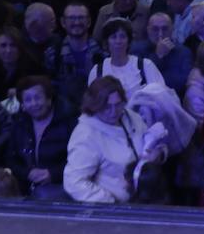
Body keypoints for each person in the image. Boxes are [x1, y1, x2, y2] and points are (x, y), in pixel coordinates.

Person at [63, 76, 165, 204]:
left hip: (144, 198)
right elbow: (73, 182)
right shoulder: (86, 135)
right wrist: (110, 202)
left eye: (118, 105)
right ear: (94, 105)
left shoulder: (131, 117)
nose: (113, 112)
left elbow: (152, 142)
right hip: (117, 208)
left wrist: (159, 154)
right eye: (106, 107)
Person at [6, 75, 75, 200]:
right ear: (22, 105)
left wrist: (53, 174)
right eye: (27, 99)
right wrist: (27, 173)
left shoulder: (69, 122)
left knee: (42, 195)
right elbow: (11, 159)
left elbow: (79, 160)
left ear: (49, 99)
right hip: (26, 183)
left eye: (38, 97)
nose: (33, 104)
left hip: (62, 183)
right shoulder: (19, 124)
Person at [89, 17, 164, 96]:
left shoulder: (146, 66)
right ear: (106, 42)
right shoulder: (97, 71)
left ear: (129, 41)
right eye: (113, 37)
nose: (118, 41)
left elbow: (161, 97)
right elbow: (93, 103)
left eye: (123, 37)